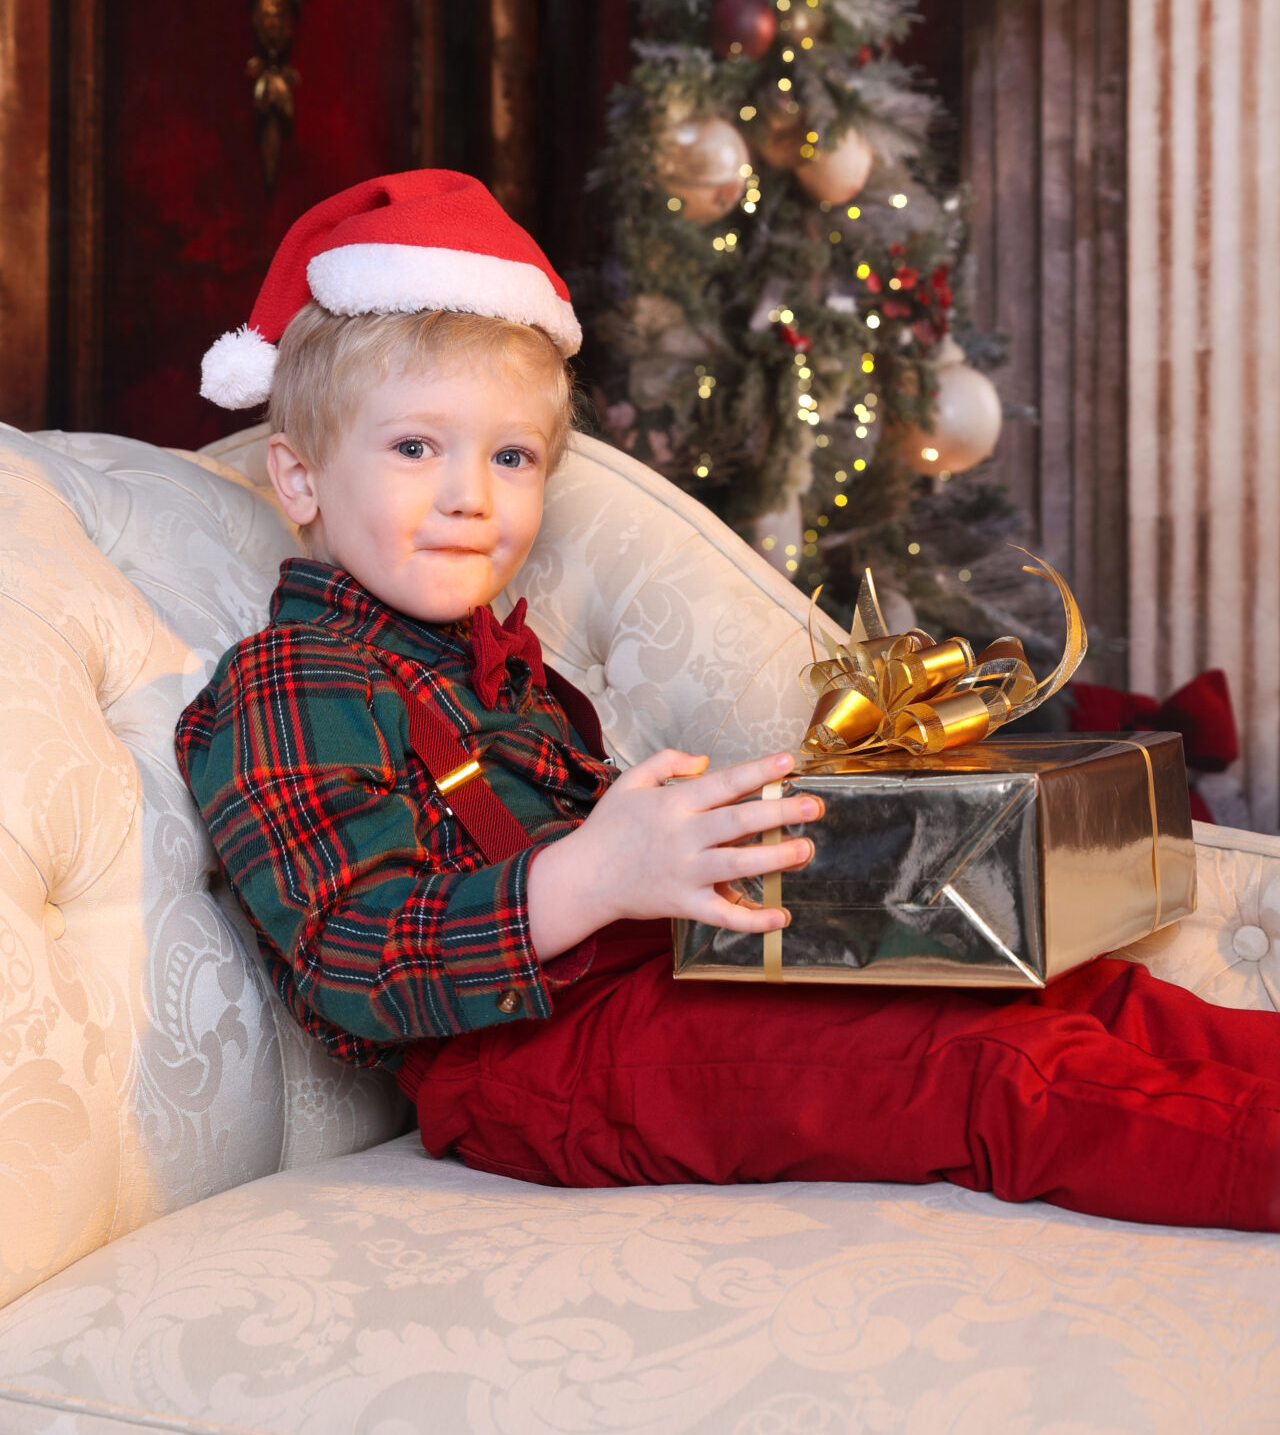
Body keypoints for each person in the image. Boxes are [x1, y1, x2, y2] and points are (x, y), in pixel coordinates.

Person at [178, 168, 1280, 1230]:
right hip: (532, 1068)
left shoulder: (494, 661)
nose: (470, 496)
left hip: (653, 983)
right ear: (301, 478)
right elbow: (348, 957)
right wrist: (597, 871)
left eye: (510, 457)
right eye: (416, 447)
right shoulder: (295, 677)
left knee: (1054, 995)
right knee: (983, 1071)